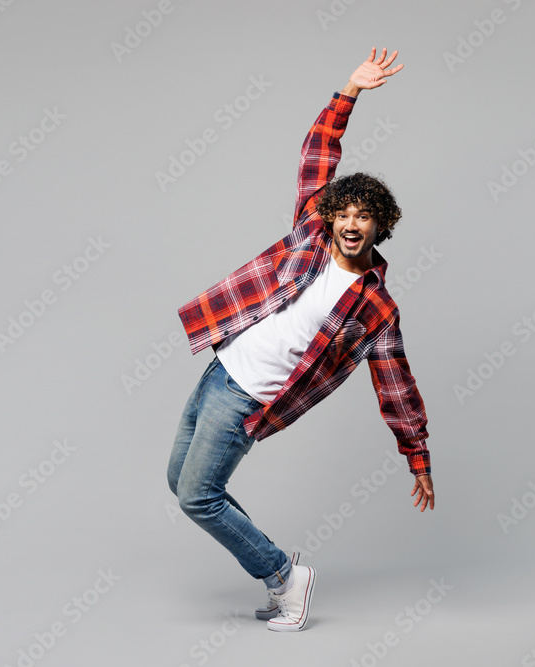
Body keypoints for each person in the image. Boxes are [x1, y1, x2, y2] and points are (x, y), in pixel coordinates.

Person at [167, 47, 434, 633]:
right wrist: (350, 92)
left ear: (379, 227)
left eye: (367, 216)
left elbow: (397, 386)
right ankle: (276, 574)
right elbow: (318, 152)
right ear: (333, 214)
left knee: (197, 497)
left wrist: (416, 454)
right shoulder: (310, 235)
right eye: (347, 211)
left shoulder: (376, 307)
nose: (352, 222)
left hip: (247, 398)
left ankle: (285, 574)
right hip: (220, 368)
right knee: (182, 483)